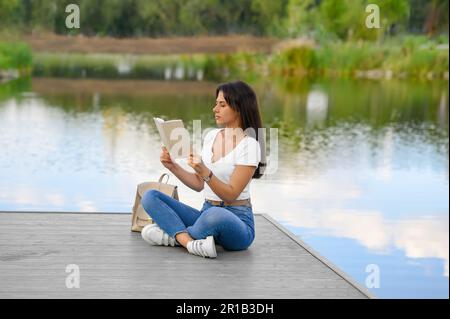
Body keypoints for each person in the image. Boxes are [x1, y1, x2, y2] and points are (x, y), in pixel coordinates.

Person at [140, 80, 265, 258]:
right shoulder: (212, 136)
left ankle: (174, 236)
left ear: (239, 107)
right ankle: (190, 242)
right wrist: (173, 167)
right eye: (216, 104)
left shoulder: (250, 145)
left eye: (222, 104)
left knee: (216, 214)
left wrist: (205, 171)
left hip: (237, 222)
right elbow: (200, 184)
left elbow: (230, 195)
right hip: (205, 214)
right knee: (150, 196)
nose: (215, 109)